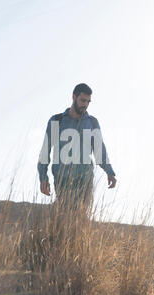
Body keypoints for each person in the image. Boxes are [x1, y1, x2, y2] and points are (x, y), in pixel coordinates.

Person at [37, 83, 117, 211]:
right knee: (64, 216)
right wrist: (43, 178)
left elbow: (99, 149)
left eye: (88, 102)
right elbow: (45, 151)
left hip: (85, 180)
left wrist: (110, 172)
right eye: (82, 100)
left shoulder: (91, 122)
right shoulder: (57, 120)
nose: (85, 104)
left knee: (80, 219)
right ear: (74, 97)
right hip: (62, 180)